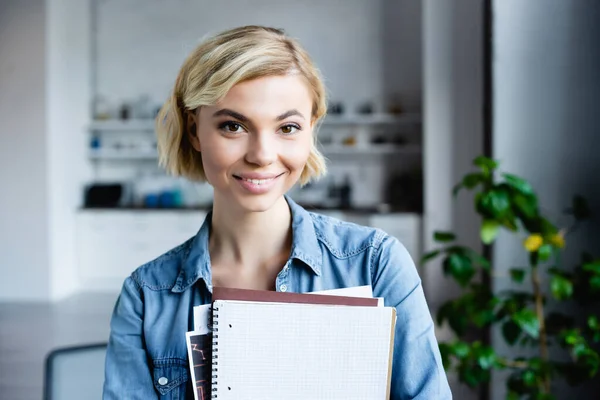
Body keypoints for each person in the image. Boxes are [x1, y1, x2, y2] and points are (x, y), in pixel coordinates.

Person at [103, 25, 452, 399]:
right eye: (233, 126)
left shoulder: (376, 264)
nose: (262, 155)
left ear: (311, 130)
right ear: (194, 130)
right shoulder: (146, 297)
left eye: (287, 127)